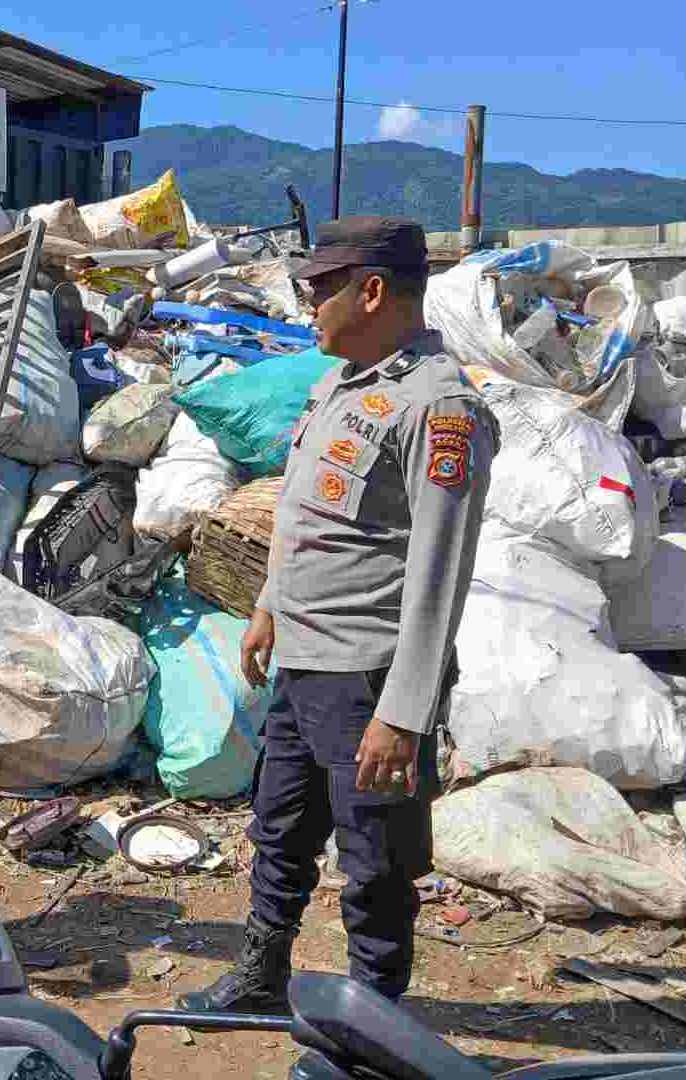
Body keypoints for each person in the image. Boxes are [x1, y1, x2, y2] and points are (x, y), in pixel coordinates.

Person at [176, 217, 498, 1014]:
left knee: (374, 861)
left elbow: (439, 574)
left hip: (369, 678)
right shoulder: (338, 385)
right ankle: (261, 977)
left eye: (321, 289)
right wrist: (268, 606)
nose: (309, 304)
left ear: (373, 290)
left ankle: (374, 1023)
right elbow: (306, 517)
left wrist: (404, 713)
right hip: (305, 662)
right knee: (279, 828)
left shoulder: (439, 409)